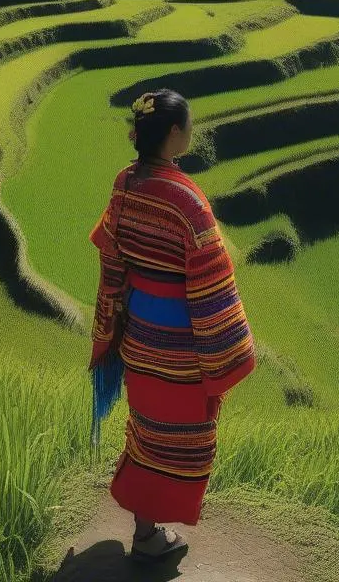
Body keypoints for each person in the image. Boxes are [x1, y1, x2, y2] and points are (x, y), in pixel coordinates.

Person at [87, 88, 256, 563]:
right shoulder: (187, 200)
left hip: (140, 336)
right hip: (182, 346)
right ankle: (148, 538)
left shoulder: (125, 183)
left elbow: (112, 258)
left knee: (145, 430)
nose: (192, 132)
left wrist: (113, 330)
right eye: (189, 126)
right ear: (175, 134)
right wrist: (227, 353)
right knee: (182, 440)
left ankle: (145, 530)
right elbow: (212, 280)